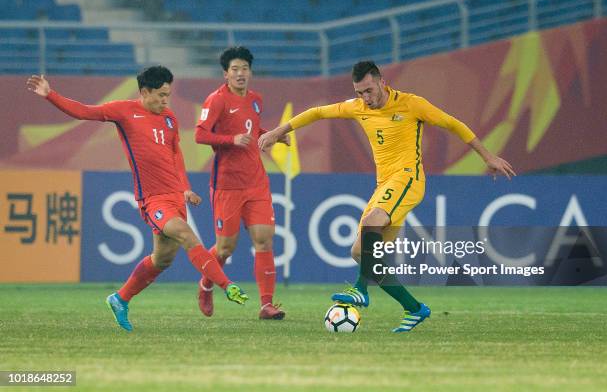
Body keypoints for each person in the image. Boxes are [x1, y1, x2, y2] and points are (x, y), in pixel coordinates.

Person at [259, 61, 515, 333]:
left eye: (369, 90)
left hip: (409, 179)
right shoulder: (358, 107)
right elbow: (317, 113)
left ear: (381, 81)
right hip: (384, 185)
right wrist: (278, 131)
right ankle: (414, 308)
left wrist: (488, 156)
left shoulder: (411, 104)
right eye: (359, 93)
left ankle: (360, 289)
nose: (365, 99)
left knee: (371, 222)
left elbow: (453, 124)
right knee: (363, 254)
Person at [26, 66, 248, 332]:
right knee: (187, 236)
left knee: (162, 259)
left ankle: (120, 298)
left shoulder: (169, 118)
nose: (166, 100)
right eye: (161, 95)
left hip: (175, 196)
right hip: (153, 199)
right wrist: (51, 95)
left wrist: (185, 188)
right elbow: (84, 111)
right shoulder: (123, 110)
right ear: (144, 92)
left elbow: (175, 154)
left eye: (168, 94)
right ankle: (227, 285)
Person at [194, 46, 288, 320]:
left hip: (256, 182)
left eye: (244, 69)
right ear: (225, 73)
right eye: (234, 69)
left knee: (264, 240)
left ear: (251, 72)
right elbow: (200, 135)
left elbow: (251, 128)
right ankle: (206, 284)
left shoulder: (256, 100)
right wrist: (230, 140)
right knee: (225, 248)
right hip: (227, 185)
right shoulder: (216, 100)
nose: (240, 74)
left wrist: (271, 135)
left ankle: (266, 305)